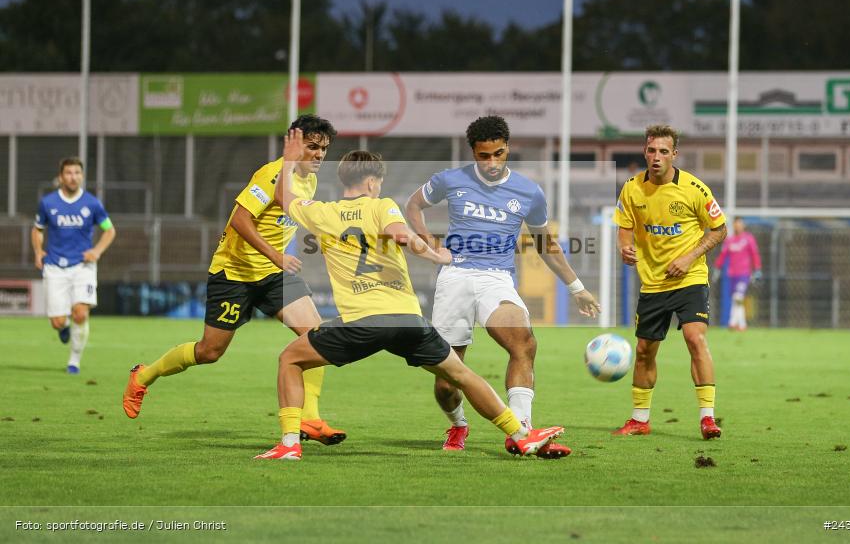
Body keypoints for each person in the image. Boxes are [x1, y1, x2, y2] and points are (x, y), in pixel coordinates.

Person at [255, 143, 565, 460]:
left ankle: (290, 444)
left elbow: (283, 196)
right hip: (408, 320)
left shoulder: (322, 212)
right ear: (373, 182)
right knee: (462, 375)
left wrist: (291, 160)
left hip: (362, 323)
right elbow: (402, 236)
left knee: (290, 359)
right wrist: (434, 253)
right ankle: (521, 434)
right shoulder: (381, 205)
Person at [123, 115, 344, 446]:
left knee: (316, 336)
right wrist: (277, 255)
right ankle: (143, 375)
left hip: (272, 275)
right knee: (209, 351)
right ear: (293, 143)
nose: (319, 155)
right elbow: (240, 220)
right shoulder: (270, 174)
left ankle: (309, 418)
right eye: (312, 147)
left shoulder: (307, 180)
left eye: (324, 149)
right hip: (234, 273)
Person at [405, 115, 599, 458]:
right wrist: (430, 244)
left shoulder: (528, 191)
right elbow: (414, 204)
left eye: (498, 153)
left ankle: (522, 432)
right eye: (484, 156)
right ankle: (458, 422)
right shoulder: (450, 180)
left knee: (524, 344)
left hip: (496, 278)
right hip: (455, 276)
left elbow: (546, 244)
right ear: (473, 152)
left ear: (508, 147)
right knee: (446, 381)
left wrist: (576, 287)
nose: (492, 163)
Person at [613, 124, 727, 440]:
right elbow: (624, 225)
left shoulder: (694, 189)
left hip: (690, 278)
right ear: (645, 152)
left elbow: (719, 230)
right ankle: (639, 420)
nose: (657, 157)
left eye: (664, 151)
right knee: (645, 350)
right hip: (652, 283)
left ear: (674, 154)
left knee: (695, 338)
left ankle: (707, 418)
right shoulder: (631, 189)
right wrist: (624, 246)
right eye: (652, 150)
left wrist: (689, 257)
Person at [31, 158, 116, 374]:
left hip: (82, 266)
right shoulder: (48, 203)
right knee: (58, 322)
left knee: (80, 313)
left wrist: (96, 251)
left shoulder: (92, 203)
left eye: (77, 172)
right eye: (68, 173)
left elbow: (109, 230)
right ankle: (63, 326)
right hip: (55, 266)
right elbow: (37, 229)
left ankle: (74, 361)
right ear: (61, 177)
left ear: (82, 176)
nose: (73, 177)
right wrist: (38, 251)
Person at [713, 217, 762, 331]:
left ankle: (732, 322)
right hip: (732, 274)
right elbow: (722, 255)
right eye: (736, 224)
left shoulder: (748, 239)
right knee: (736, 298)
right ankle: (742, 324)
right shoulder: (729, 240)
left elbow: (755, 254)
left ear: (743, 225)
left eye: (740, 224)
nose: (738, 226)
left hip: (744, 274)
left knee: (738, 297)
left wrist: (758, 269)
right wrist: (717, 268)